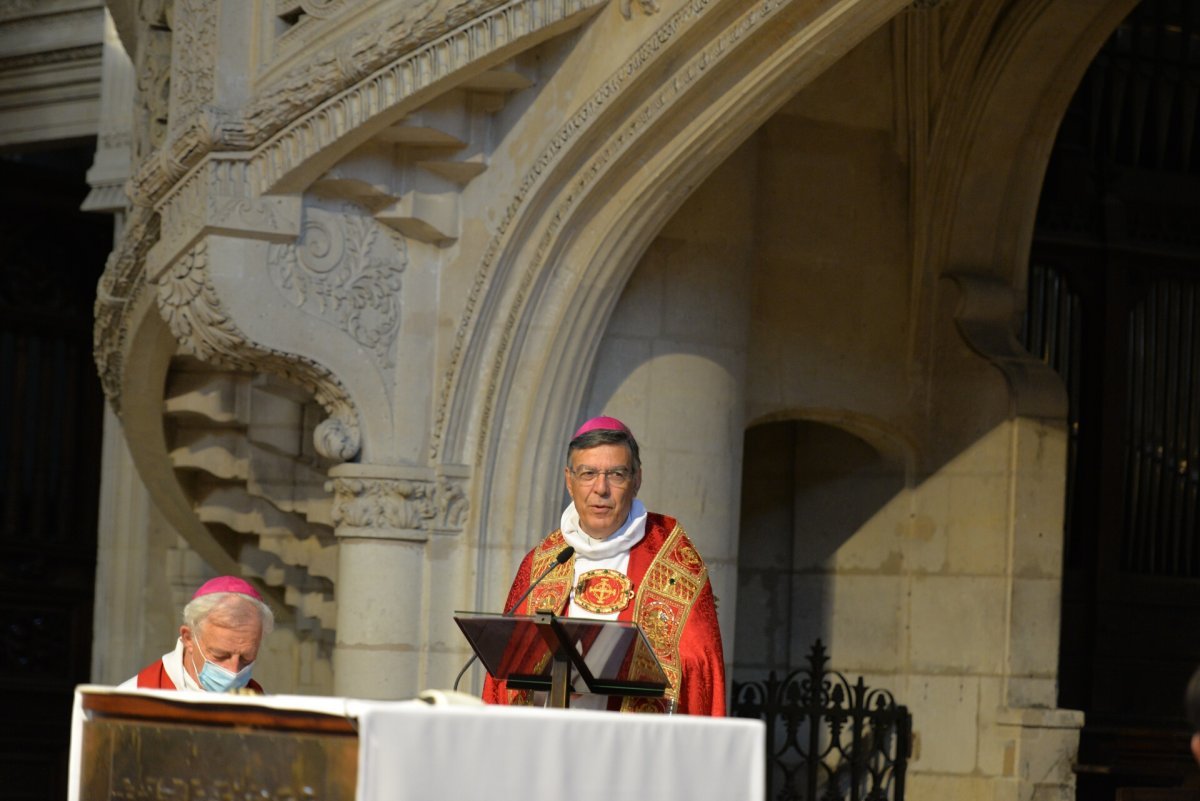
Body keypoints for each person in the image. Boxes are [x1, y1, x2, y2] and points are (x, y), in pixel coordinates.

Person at [482, 415, 726, 714]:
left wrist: (615, 665)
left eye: (616, 474)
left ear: (637, 480)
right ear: (569, 481)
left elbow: (698, 665)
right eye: (588, 474)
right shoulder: (542, 562)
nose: (601, 488)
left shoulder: (675, 560)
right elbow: (508, 670)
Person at [120, 575, 273, 693]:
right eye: (220, 655)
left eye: (246, 658)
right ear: (188, 638)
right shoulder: (129, 701)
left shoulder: (267, 712)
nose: (233, 672)